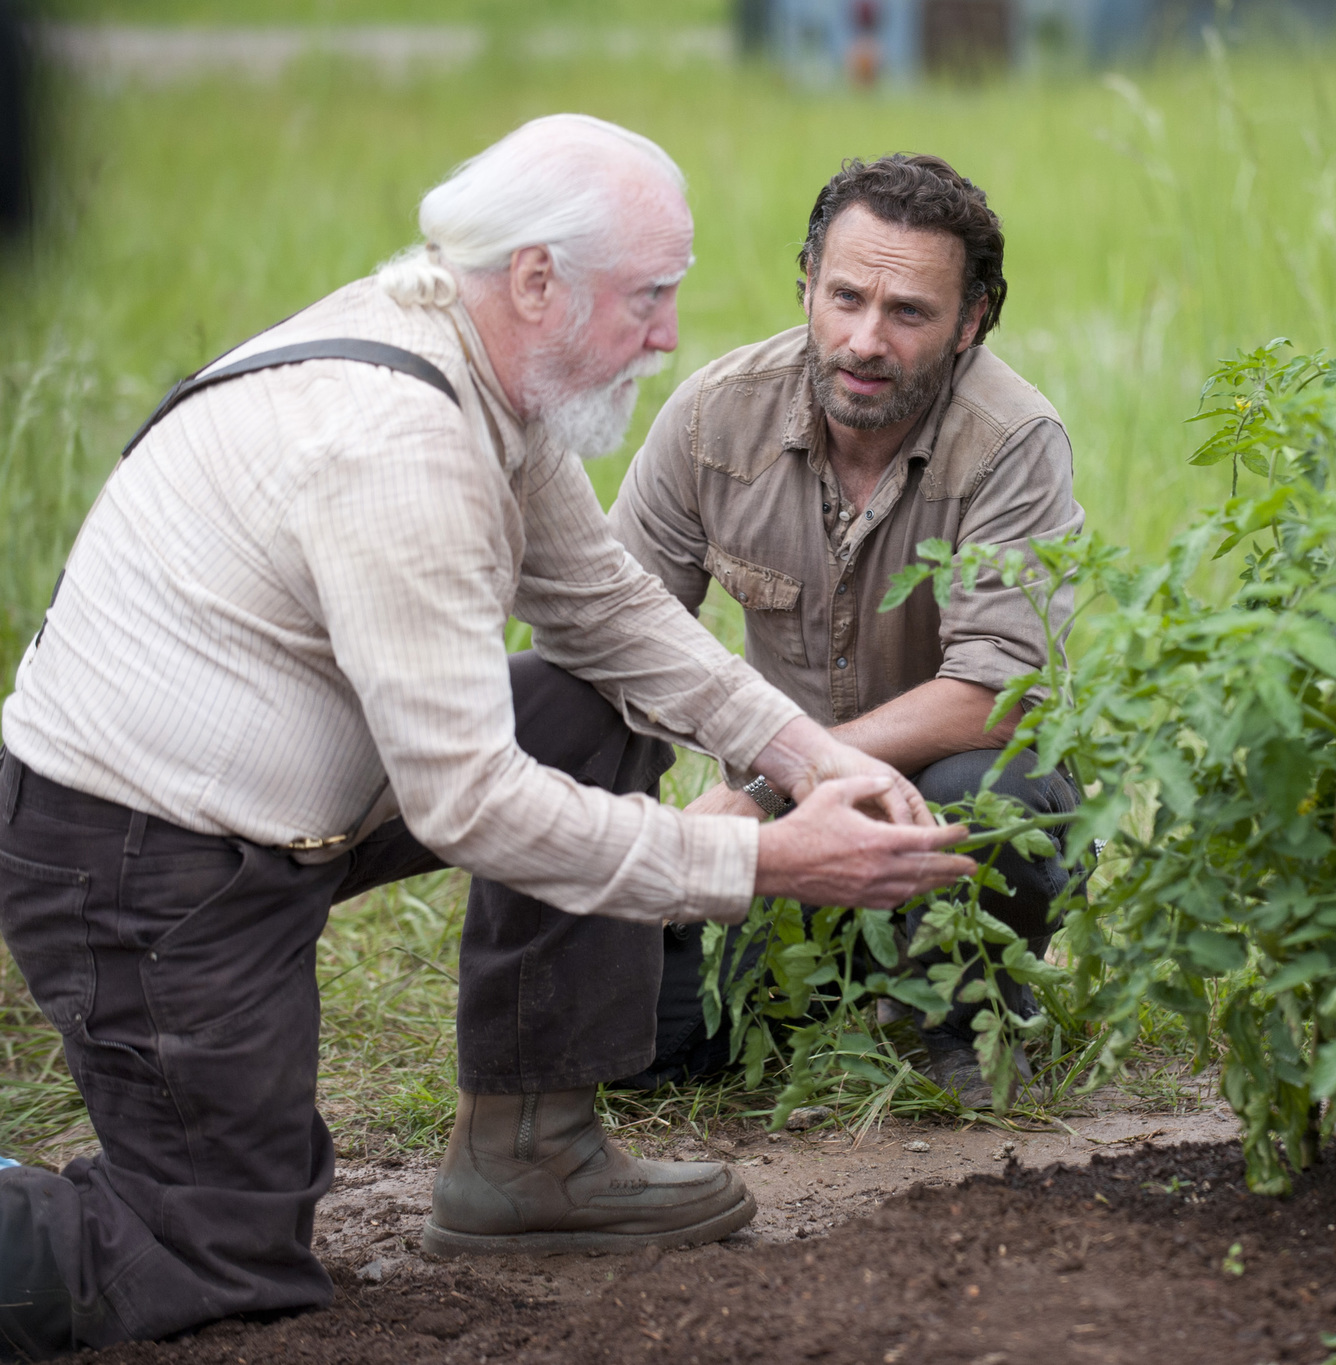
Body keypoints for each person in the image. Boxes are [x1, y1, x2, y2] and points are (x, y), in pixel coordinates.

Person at [0, 116, 974, 1359]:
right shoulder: (399, 445)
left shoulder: (483, 373)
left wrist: (808, 757)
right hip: (142, 862)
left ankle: (530, 1161)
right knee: (213, 1253)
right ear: (535, 281)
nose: (670, 335)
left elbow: (609, 610)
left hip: (288, 806)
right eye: (649, 297)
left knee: (583, 696)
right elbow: (468, 804)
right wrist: (764, 863)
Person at [589, 153, 1086, 1105]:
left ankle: (954, 1011)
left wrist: (773, 781)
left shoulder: (1013, 441)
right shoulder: (711, 420)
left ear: (971, 321)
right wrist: (657, 833)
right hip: (786, 840)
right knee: (657, 1066)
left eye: (909, 313)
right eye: (846, 296)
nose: (866, 339)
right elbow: (610, 634)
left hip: (923, 811)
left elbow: (993, 696)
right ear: (807, 283)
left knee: (999, 790)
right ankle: (811, 982)